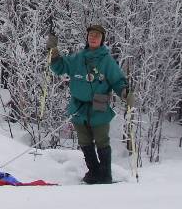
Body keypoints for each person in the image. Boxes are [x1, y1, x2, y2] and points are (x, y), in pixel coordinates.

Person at [47, 24, 130, 184]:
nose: (93, 37)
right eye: (91, 34)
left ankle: (105, 175)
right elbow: (59, 67)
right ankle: (93, 172)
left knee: (101, 139)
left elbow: (118, 81)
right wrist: (54, 51)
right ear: (87, 37)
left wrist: (125, 93)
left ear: (102, 40)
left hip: (99, 101)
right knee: (84, 140)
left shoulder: (106, 60)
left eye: (97, 36)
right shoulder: (78, 58)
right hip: (78, 104)